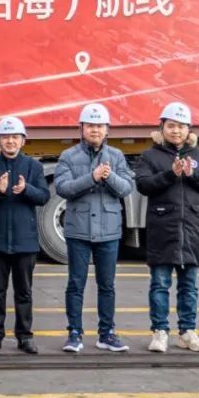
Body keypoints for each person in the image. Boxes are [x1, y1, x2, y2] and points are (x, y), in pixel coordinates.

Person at [135, 102, 199, 353]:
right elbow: (143, 185)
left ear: (188, 129)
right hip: (163, 229)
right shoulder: (150, 156)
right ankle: (159, 332)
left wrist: (193, 175)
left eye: (181, 126)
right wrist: (171, 174)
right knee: (160, 284)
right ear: (162, 127)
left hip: (192, 230)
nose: (176, 130)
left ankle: (187, 332)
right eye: (171, 125)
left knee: (189, 286)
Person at [55, 102, 134, 353]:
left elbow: (126, 188)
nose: (95, 130)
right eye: (90, 125)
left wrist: (109, 176)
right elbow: (63, 188)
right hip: (78, 230)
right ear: (81, 128)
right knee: (76, 283)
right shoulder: (68, 156)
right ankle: (74, 333)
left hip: (108, 231)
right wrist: (92, 177)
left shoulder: (117, 156)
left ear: (107, 129)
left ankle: (106, 333)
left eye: (100, 126)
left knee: (107, 285)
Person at [0, 116, 50, 354]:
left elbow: (43, 196)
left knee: (24, 292)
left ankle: (25, 336)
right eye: (5, 137)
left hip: (25, 242)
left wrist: (27, 189)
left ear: (23, 141)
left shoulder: (34, 167)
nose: (10, 141)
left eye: (15, 137)